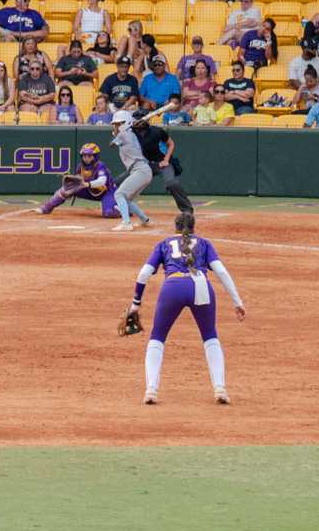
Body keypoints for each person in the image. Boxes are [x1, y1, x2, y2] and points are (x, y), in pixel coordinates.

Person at [127, 211, 246, 405]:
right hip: (201, 286)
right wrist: (237, 302)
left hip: (172, 287)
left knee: (157, 338)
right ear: (194, 227)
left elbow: (143, 274)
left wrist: (136, 304)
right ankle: (220, 388)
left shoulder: (163, 244)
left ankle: (151, 390)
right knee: (210, 336)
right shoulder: (205, 243)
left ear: (175, 227)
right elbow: (222, 272)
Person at [107, 109, 155, 231]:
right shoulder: (129, 134)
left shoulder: (124, 134)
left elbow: (111, 145)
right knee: (126, 199)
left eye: (118, 124)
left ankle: (126, 223)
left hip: (140, 169)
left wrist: (118, 133)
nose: (116, 127)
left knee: (119, 194)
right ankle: (145, 220)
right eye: (115, 124)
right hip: (142, 171)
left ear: (125, 123)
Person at [39, 143, 116, 217]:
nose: (86, 158)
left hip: (107, 192)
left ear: (95, 156)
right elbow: (78, 181)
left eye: (89, 156)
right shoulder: (80, 167)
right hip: (90, 191)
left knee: (109, 213)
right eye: (84, 156)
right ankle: (46, 208)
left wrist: (88, 184)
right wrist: (72, 187)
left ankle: (126, 208)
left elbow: (102, 181)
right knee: (68, 188)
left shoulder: (100, 166)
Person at [12, 38, 58, 122]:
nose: (30, 45)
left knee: (50, 109)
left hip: (43, 85)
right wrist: (32, 98)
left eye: (32, 43)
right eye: (28, 43)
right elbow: (16, 76)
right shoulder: (19, 60)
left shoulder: (42, 55)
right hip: (27, 87)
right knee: (28, 109)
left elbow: (50, 69)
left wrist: (51, 82)